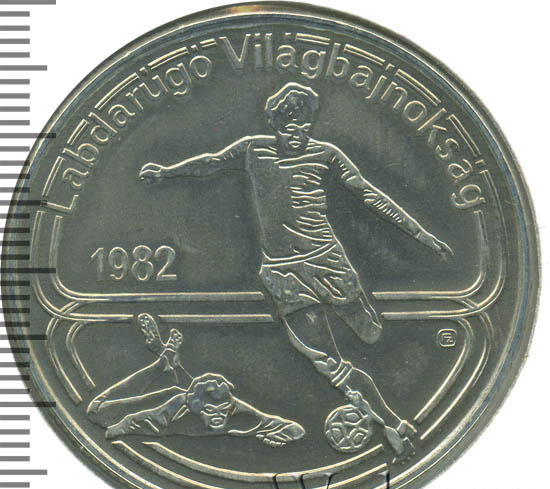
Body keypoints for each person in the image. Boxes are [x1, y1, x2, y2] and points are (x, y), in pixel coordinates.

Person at [139, 82, 452, 461]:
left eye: (303, 123)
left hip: (328, 262)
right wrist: (166, 173)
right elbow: (210, 162)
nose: (296, 131)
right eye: (289, 124)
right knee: (327, 361)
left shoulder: (327, 154)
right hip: (283, 274)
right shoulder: (253, 149)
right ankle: (390, 422)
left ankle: (378, 386)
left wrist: (421, 235)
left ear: (310, 124)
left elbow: (369, 195)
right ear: (274, 124)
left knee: (370, 334)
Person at [87, 313, 305, 447]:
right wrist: (113, 432)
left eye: (223, 409)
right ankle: (162, 363)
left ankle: (168, 359)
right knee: (97, 413)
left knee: (180, 387)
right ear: (195, 408)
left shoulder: (238, 411)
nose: (219, 416)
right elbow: (130, 422)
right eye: (210, 410)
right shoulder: (173, 413)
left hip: (185, 395)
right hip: (165, 405)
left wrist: (286, 435)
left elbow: (292, 427)